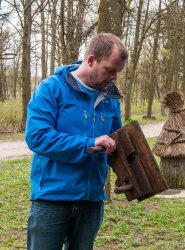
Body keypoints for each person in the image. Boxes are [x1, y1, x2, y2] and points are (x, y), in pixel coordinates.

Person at [25, 33, 128, 250]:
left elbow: (114, 143)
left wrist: (128, 174)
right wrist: (88, 144)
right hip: (52, 199)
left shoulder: (110, 99)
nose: (114, 78)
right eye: (109, 70)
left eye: (117, 73)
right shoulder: (51, 89)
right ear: (91, 60)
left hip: (91, 201)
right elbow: (37, 137)